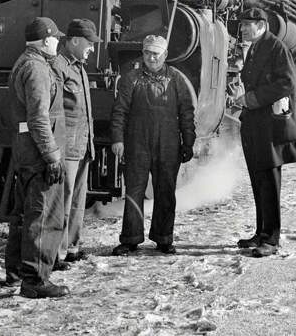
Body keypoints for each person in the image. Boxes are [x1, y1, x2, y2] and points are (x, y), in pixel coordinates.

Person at [110, 35, 196, 256]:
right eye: (147, 53)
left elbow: (186, 112)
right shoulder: (131, 78)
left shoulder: (176, 79)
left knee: (165, 191)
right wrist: (118, 139)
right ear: (143, 54)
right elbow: (120, 111)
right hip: (137, 143)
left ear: (165, 55)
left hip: (168, 144)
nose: (151, 58)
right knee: (134, 191)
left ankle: (164, 238)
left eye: (156, 53)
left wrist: (188, 142)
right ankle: (130, 239)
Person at [4, 16, 70, 298]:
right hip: (40, 153)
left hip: (26, 149)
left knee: (24, 214)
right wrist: (52, 156)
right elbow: (39, 118)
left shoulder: (25, 62)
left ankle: (16, 271)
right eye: (56, 38)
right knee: (44, 215)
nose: (58, 42)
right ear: (45, 40)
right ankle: (35, 280)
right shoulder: (37, 68)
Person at [235, 6, 296, 257]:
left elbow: (287, 83)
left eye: (247, 24)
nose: (242, 29)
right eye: (242, 24)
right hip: (256, 124)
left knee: (270, 183)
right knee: (259, 181)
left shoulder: (276, 48)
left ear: (262, 25)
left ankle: (271, 239)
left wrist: (251, 98)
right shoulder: (255, 47)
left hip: (270, 126)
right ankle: (261, 233)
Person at [52, 18, 99, 267]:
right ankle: (57, 253)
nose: (92, 48)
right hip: (66, 146)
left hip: (82, 144)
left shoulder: (79, 67)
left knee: (78, 199)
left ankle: (72, 247)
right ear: (75, 41)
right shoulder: (58, 67)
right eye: (89, 43)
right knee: (64, 198)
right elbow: (53, 111)